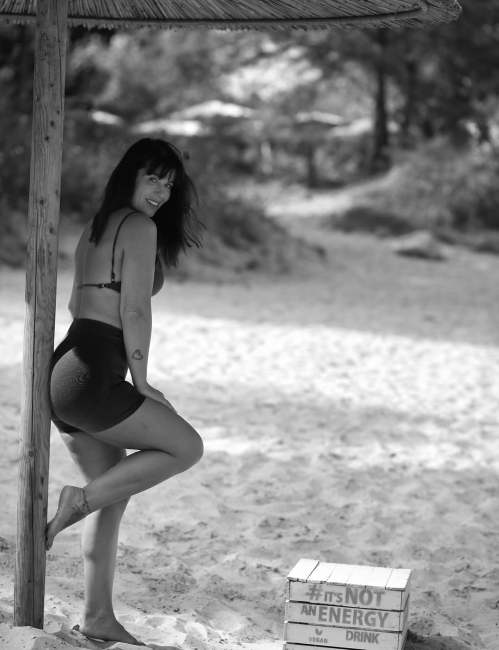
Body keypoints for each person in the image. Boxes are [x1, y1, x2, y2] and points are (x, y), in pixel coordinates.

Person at [47, 138, 205, 645]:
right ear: (130, 175)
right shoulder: (138, 227)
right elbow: (134, 309)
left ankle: (98, 617)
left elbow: (76, 306)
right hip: (94, 374)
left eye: (169, 184)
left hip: (67, 369)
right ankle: (77, 500)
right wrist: (142, 382)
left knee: (113, 494)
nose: (160, 191)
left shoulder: (95, 227)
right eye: (152, 177)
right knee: (186, 446)